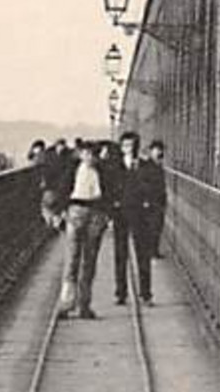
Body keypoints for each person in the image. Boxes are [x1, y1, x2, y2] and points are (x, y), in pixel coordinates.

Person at [58, 143, 110, 318]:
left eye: (92, 154)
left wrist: (106, 216)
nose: (89, 157)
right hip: (76, 211)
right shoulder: (72, 170)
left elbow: (109, 192)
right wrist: (63, 211)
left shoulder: (102, 171)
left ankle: (83, 305)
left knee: (89, 260)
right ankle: (66, 304)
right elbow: (63, 190)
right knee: (72, 260)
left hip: (95, 213)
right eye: (85, 153)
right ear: (80, 154)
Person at [111, 131, 163, 305]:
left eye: (131, 146)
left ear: (137, 147)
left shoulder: (146, 166)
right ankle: (120, 292)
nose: (128, 149)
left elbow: (154, 188)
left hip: (140, 214)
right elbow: (109, 188)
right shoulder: (115, 166)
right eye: (125, 146)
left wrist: (148, 205)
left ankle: (146, 293)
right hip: (120, 214)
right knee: (120, 253)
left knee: (143, 254)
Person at [146, 139, 169, 259]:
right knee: (152, 227)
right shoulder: (148, 167)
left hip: (159, 202)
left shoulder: (158, 166)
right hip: (151, 202)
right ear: (151, 151)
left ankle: (154, 250)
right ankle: (151, 251)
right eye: (157, 150)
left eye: (161, 150)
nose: (159, 152)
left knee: (157, 227)